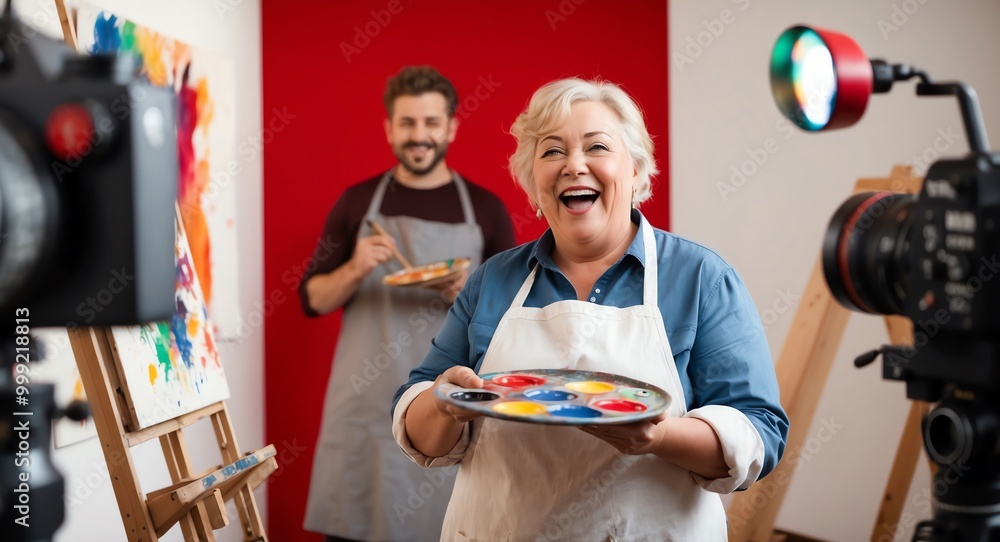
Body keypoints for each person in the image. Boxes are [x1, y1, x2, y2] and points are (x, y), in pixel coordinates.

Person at [390, 78, 789, 541]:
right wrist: (444, 405)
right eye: (552, 151)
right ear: (532, 182)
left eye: (597, 146)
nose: (574, 165)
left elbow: (760, 433)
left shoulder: (702, 278)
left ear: (636, 170)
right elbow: (419, 422)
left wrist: (659, 438)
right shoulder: (492, 281)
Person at [301, 66, 516, 542]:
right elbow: (312, 299)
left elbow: (516, 319)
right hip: (365, 403)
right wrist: (355, 267)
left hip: (449, 406)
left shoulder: (486, 210)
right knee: (355, 526)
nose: (419, 135)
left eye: (431, 122)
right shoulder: (357, 203)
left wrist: (473, 298)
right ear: (389, 128)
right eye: (408, 123)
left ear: (451, 127)